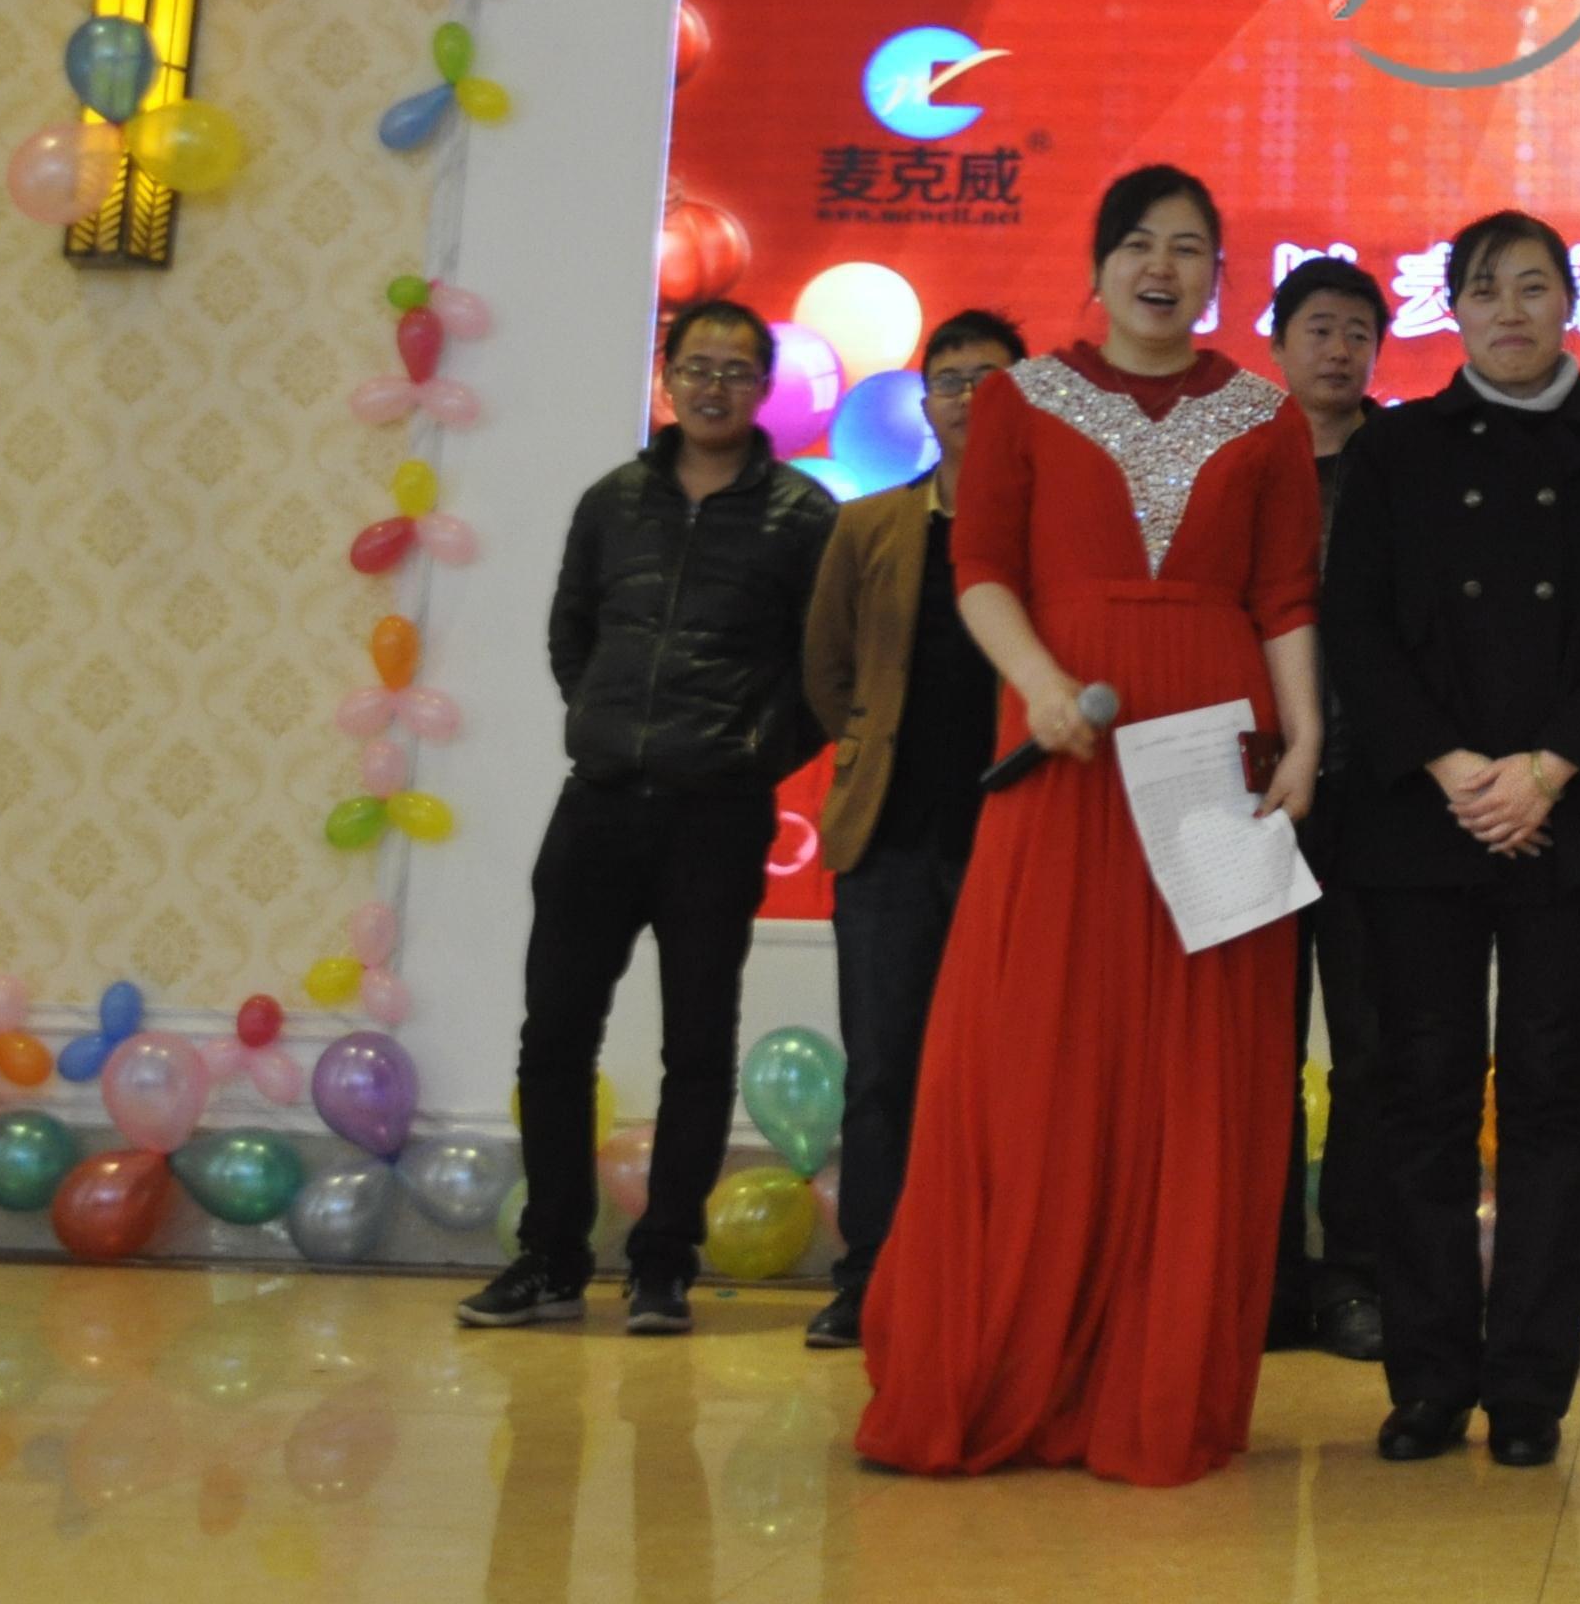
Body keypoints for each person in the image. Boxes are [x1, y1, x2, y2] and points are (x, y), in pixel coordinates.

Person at [856, 167, 1327, 1485]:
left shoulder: (1265, 415)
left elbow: (1286, 595)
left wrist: (1303, 740)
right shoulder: (1020, 399)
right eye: (1138, 246)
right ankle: (1018, 1364)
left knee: (1198, 1058)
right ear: (1099, 266)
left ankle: (1155, 1373)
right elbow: (982, 569)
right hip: (1070, 751)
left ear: (1217, 275)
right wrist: (1042, 685)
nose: (1161, 268)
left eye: (1189, 249)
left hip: (1216, 752)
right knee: (1038, 1047)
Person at [1317, 211, 1580, 1465]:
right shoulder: (1397, 447)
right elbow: (1355, 624)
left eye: (1533, 287)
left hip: (1569, 818)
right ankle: (1426, 1377)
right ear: (1455, 309)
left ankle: (1529, 1387)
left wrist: (1545, 770)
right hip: (1418, 818)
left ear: (1571, 301)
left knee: (1546, 1091)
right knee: (1420, 1091)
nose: (1510, 310)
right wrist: (1454, 766)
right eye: (1486, 289)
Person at [463, 299, 838, 1336]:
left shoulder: (802, 516)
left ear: (766, 390)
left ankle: (663, 1264)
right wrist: (605, 722)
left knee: (697, 1046)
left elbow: (824, 669)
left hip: (717, 814)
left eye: (737, 370)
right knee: (553, 1036)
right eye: (697, 366)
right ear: (667, 377)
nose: (715, 386)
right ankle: (548, 1258)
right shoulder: (612, 501)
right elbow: (571, 635)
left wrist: (747, 752)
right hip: (597, 804)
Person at [794, 305, 1030, 1354]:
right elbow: (827, 668)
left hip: (1017, 842)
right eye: (952, 380)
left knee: (1007, 1073)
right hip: (890, 835)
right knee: (884, 1066)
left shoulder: (1051, 529)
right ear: (923, 402)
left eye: (993, 380)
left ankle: (993, 1279)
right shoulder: (870, 526)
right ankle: (871, 1276)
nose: (970, 398)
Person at [1268, 251, 1394, 1361]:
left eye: (1359, 331)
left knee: (1369, 1049)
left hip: (1374, 795)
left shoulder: (1406, 464)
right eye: (1320, 327)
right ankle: (1263, 1278)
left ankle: (1354, 1271)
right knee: (1255, 1048)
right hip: (1250, 791)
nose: (1340, 349)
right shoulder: (1236, 460)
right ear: (1278, 342)